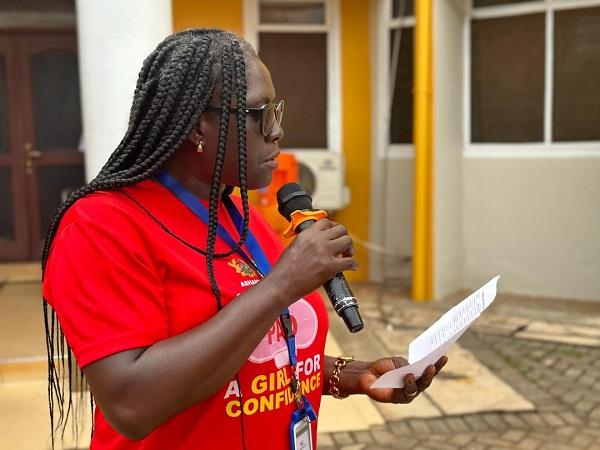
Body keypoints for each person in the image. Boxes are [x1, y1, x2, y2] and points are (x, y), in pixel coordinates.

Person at [42, 28, 447, 449]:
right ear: (199, 126)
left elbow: (254, 356)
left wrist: (349, 374)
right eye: (260, 114)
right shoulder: (101, 227)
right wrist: (284, 283)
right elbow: (131, 404)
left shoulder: (241, 217)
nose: (276, 131)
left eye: (276, 112)